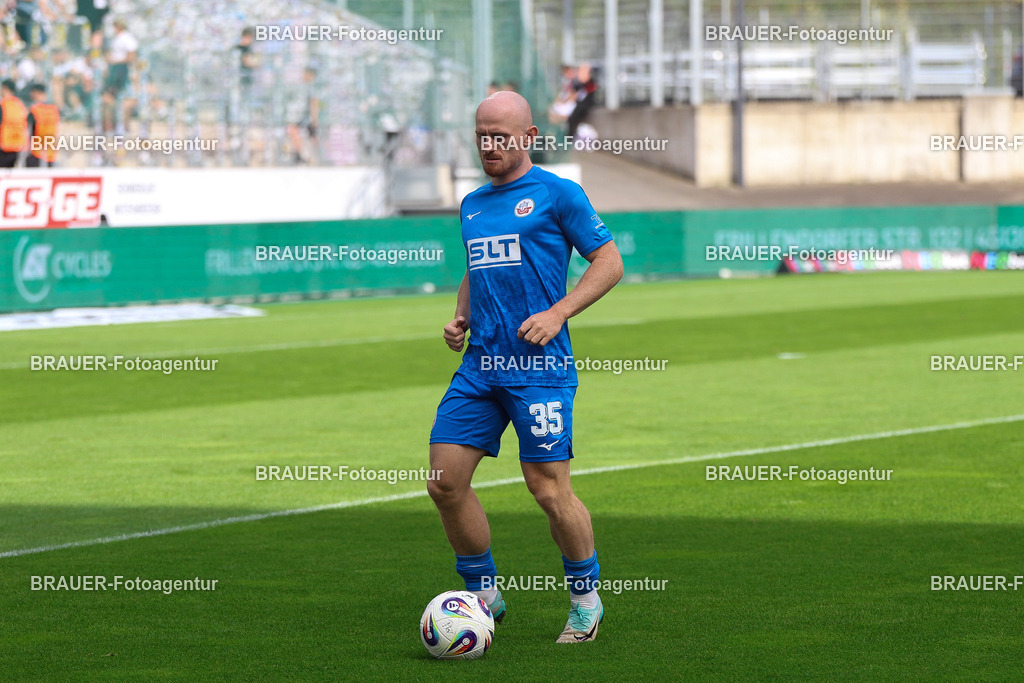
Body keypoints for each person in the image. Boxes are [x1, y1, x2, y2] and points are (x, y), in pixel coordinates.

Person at [427, 91, 623, 643]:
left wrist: (559, 311)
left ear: (529, 136)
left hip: (539, 369)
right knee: (444, 482)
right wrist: (460, 316)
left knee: (547, 489)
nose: (490, 145)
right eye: (482, 135)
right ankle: (484, 595)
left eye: (501, 135)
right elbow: (476, 265)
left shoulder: (559, 194)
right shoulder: (472, 204)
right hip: (480, 365)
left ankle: (586, 599)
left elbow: (609, 261)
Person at [286, 67, 319, 164]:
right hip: (298, 116)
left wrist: (314, 119)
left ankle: (312, 156)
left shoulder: (311, 87)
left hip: (306, 117)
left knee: (312, 136)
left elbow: (314, 103)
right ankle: (299, 154)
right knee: (295, 132)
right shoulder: (299, 87)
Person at [26, 83, 58, 167]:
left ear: (37, 92)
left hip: (36, 151)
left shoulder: (35, 109)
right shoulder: (54, 109)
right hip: (50, 151)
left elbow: (29, 130)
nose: (31, 94)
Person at [0, 80, 28, 167]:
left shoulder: (3, 105)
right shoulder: (20, 105)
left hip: (4, 146)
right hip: (17, 145)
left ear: (5, 89)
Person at [567, 63, 597, 138]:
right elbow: (574, 93)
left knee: (572, 118)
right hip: (578, 104)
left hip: (585, 105)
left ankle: (570, 137)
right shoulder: (577, 83)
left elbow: (586, 95)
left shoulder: (590, 82)